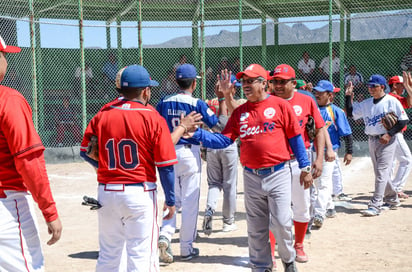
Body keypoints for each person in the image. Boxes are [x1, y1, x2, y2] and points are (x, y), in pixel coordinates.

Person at [193, 64, 313, 272]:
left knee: (282, 222)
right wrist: (195, 135)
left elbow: (295, 138)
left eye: (250, 81)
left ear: (264, 83)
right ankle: (261, 266)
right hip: (251, 175)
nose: (245, 85)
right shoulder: (240, 112)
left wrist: (305, 167)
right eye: (243, 82)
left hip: (278, 173)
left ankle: (288, 260)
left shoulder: (280, 105)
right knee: (256, 227)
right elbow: (224, 140)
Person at [79, 64, 179, 272]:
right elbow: (165, 166)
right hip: (139, 192)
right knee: (141, 255)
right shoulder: (152, 116)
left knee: (109, 254)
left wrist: (103, 167)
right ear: (145, 91)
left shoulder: (103, 114)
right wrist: (170, 200)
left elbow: (85, 151)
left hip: (106, 191)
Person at [0, 34, 62, 271]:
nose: (6, 60)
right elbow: (29, 161)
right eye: (4, 55)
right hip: (7, 204)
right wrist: (50, 211)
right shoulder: (9, 99)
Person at [156, 63, 225, 263]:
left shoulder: (163, 101)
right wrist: (221, 99)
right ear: (194, 83)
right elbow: (218, 125)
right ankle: (186, 248)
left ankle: (165, 235)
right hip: (189, 153)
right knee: (190, 203)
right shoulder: (197, 103)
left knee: (172, 200)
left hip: (168, 152)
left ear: (176, 82)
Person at [269, 64, 327, 263]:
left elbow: (319, 128)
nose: (277, 85)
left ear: (294, 83)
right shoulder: (267, 101)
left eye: (282, 82)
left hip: (299, 163)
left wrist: (318, 159)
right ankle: (270, 250)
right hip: (275, 163)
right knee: (275, 209)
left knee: (302, 205)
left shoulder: (306, 100)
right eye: (275, 81)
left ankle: (299, 245)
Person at [345, 74, 408, 216]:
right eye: (369, 86)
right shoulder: (367, 103)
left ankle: (375, 204)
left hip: (387, 140)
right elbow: (350, 113)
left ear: (383, 87)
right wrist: (348, 96)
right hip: (372, 139)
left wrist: (389, 133)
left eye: (374, 86)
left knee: (381, 171)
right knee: (381, 172)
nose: (371, 88)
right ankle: (392, 198)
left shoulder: (392, 101)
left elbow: (403, 121)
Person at [202, 75, 242, 236]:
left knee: (213, 183)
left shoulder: (208, 103)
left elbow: (204, 123)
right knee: (229, 185)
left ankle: (210, 209)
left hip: (212, 143)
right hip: (228, 144)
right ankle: (228, 222)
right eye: (235, 86)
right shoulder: (238, 104)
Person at [312, 80, 353, 222]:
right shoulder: (313, 109)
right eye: (316, 91)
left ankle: (319, 213)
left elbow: (347, 133)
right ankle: (329, 207)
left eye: (320, 92)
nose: (317, 94)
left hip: (328, 153)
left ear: (330, 95)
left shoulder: (336, 111)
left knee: (323, 183)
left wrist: (349, 151)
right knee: (317, 183)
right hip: (312, 151)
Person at [387, 73, 412, 199]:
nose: (403, 87)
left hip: (391, 134)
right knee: (407, 160)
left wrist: (408, 86)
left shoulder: (395, 97)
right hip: (394, 133)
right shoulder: (392, 98)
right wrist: (408, 87)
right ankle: (396, 189)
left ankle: (389, 189)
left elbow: (410, 101)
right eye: (401, 85)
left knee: (391, 163)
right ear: (395, 85)